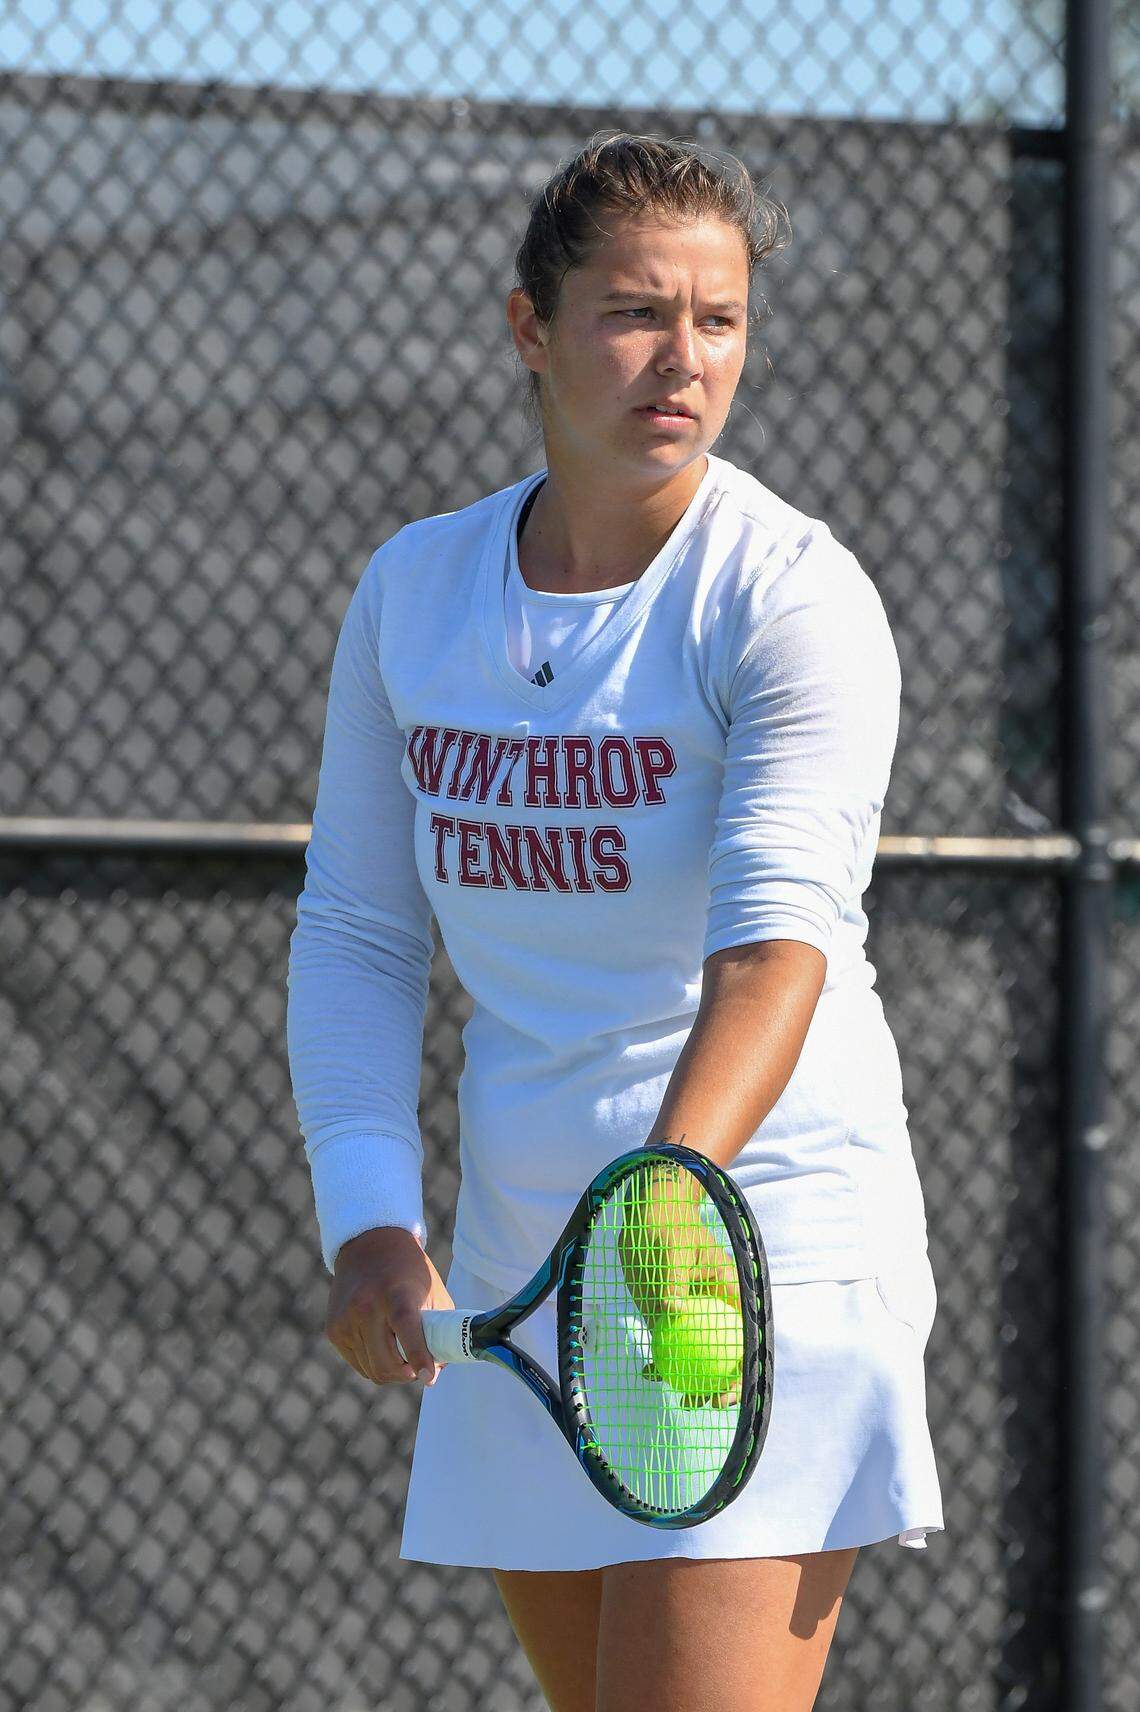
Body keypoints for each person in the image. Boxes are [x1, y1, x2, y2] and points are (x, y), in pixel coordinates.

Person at [286, 129, 944, 1712]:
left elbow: (777, 950)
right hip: (529, 1270)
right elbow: (360, 931)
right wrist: (369, 1224)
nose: (685, 357)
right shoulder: (416, 590)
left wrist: (665, 1205)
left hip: (747, 1245)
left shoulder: (791, 597)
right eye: (637, 313)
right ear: (532, 326)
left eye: (720, 319)